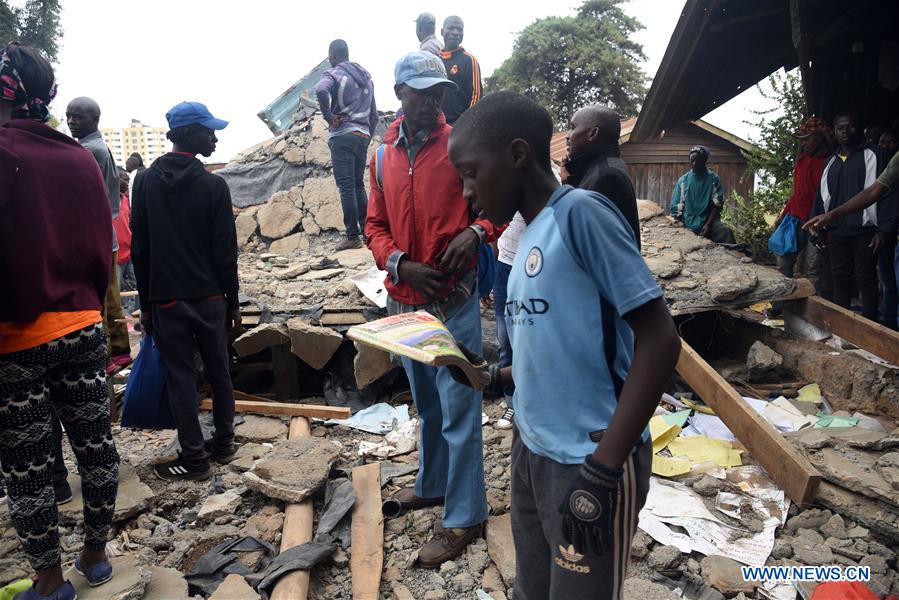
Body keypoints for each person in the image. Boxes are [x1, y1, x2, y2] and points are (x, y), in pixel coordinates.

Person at [447, 91, 681, 600]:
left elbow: (661, 339)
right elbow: (557, 347)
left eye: (470, 172)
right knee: (531, 589)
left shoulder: (582, 215)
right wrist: (491, 377)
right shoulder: (526, 233)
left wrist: (604, 469)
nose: (466, 192)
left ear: (516, 155)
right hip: (533, 450)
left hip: (589, 459)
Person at [366, 52, 504, 566]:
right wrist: (399, 264)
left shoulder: (461, 145)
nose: (433, 101)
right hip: (407, 301)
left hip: (457, 299)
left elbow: (496, 205)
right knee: (428, 406)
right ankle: (434, 484)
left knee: (461, 410)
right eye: (422, 92)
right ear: (399, 92)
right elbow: (374, 227)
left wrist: (476, 232)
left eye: (439, 92)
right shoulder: (381, 157)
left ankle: (466, 514)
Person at [0, 42, 120, 600]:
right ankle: (95, 556)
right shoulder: (77, 158)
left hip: (15, 338)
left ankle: (49, 582)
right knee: (95, 444)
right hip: (82, 324)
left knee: (27, 465)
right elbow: (103, 246)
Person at [130, 101, 240, 481]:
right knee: (219, 370)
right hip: (209, 297)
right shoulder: (213, 185)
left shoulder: (143, 182)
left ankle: (195, 459)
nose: (214, 137)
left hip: (167, 299)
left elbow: (140, 249)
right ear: (190, 134)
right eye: (208, 131)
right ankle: (224, 444)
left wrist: (146, 305)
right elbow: (226, 253)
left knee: (180, 376)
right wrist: (233, 302)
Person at [65, 96, 133, 369]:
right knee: (110, 297)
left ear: (94, 120)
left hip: (95, 238)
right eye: (68, 115)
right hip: (106, 237)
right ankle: (119, 351)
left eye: (77, 117)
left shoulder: (88, 151)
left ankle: (105, 356)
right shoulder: (95, 147)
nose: (70, 121)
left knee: (99, 300)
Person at [808, 111, 893, 323]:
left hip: (867, 231)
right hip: (837, 231)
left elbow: (888, 194)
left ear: (860, 129)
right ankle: (842, 328)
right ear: (834, 133)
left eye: (850, 126)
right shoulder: (830, 162)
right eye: (840, 128)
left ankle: (871, 327)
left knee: (867, 280)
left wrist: (884, 230)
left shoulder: (876, 154)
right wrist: (818, 229)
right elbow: (821, 197)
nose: (845, 131)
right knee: (840, 279)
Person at [315, 39, 378, 251]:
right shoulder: (366, 78)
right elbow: (374, 116)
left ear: (332, 55)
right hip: (362, 134)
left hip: (343, 135)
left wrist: (329, 116)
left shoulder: (333, 74)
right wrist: (366, 135)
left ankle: (352, 236)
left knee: (347, 187)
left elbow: (321, 90)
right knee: (359, 184)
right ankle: (369, 234)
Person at [564, 105, 641, 247]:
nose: (567, 136)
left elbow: (590, 243)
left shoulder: (607, 177)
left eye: (573, 128)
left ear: (593, 133)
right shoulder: (603, 167)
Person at [773, 117, 832, 285]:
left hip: (817, 224)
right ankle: (780, 307)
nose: (803, 143)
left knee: (814, 269)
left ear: (820, 138)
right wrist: (783, 215)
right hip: (794, 220)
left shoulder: (830, 162)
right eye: (801, 140)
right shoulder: (801, 160)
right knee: (783, 264)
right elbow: (796, 193)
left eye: (807, 139)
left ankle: (810, 309)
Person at [493, 212, 526, 430]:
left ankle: (534, 399)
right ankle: (513, 401)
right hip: (505, 263)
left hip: (532, 263)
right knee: (505, 340)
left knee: (531, 334)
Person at [669, 146, 736, 244]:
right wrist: (685, 227)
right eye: (692, 161)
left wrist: (708, 225)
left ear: (704, 161)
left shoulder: (713, 179)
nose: (694, 164)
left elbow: (717, 205)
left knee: (726, 233)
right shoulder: (683, 181)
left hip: (708, 222)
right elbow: (676, 208)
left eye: (697, 161)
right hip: (687, 223)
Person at [440, 16, 482, 125]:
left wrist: (465, 124)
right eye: (451, 28)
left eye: (460, 29)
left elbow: (476, 96)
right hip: (438, 126)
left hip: (460, 127)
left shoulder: (469, 60)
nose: (455, 32)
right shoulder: (435, 61)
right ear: (442, 31)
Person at [115, 167, 139, 316]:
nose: (127, 182)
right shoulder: (107, 201)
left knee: (138, 285)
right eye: (125, 179)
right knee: (116, 290)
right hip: (116, 256)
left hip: (129, 252)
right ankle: (120, 317)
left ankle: (135, 314)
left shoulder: (126, 201)